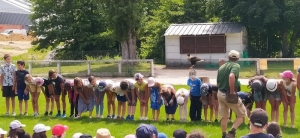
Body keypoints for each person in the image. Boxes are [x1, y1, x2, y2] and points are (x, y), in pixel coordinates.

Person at [217, 50, 247, 138]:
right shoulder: (236, 65)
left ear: (228, 57)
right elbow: (231, 76)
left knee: (224, 116)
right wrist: (232, 91)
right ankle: (231, 133)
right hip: (228, 93)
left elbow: (218, 83)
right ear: (237, 58)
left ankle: (223, 135)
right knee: (242, 114)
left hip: (220, 92)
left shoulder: (222, 67)